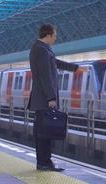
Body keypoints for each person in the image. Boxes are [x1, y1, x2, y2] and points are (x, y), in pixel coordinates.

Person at [28, 24, 79, 171]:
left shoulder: (41, 49)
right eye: (55, 35)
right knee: (45, 132)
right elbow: (45, 76)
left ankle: (44, 162)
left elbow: (55, 63)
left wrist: (75, 68)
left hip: (42, 97)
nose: (56, 38)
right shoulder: (41, 50)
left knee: (43, 131)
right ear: (48, 35)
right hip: (44, 98)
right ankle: (44, 162)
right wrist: (51, 98)